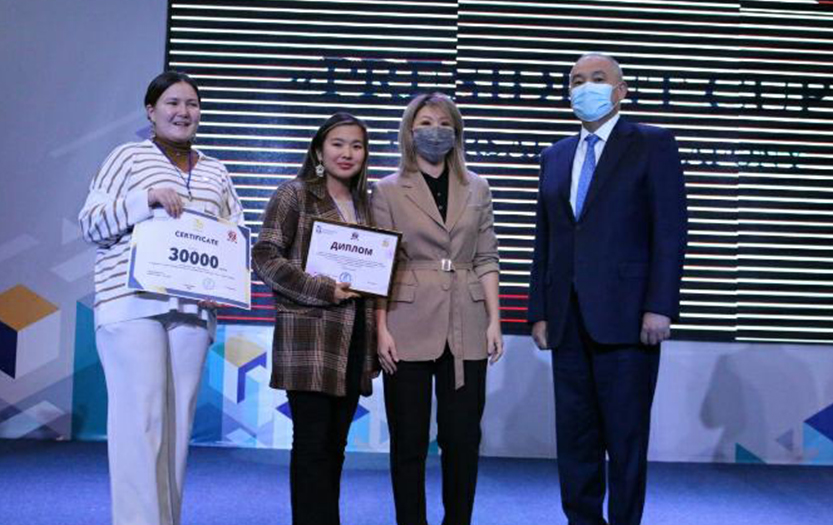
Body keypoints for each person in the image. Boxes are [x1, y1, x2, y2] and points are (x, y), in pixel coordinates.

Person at [528, 53, 688, 525]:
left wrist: (660, 306)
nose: (586, 87)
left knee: (625, 439)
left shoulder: (652, 144)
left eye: (597, 79)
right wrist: (540, 311)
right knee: (575, 439)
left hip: (629, 317)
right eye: (576, 80)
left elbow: (670, 229)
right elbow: (546, 240)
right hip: (567, 319)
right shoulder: (555, 155)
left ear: (620, 91)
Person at [79, 70, 243, 525]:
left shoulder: (216, 171)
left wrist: (225, 284)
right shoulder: (127, 157)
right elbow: (91, 223)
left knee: (175, 429)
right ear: (151, 111)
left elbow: (234, 234)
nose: (183, 112)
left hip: (192, 312)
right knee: (141, 423)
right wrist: (146, 198)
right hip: (132, 303)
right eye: (172, 103)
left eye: (191, 104)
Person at [372, 92, 503, 525]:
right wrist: (380, 329)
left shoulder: (477, 186)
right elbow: (380, 265)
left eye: (445, 124)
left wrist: (495, 321)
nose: (435, 131)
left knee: (462, 440)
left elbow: (487, 257)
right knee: (408, 441)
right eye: (426, 123)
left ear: (457, 132)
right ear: (409, 132)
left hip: (467, 320)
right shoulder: (387, 189)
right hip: (405, 321)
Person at [251, 113, 379, 525]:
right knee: (311, 445)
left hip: (353, 339)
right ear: (319, 151)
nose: (347, 153)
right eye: (338, 144)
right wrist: (323, 289)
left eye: (356, 145)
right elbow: (265, 257)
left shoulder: (367, 204)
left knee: (336, 448)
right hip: (309, 337)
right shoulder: (295, 194)